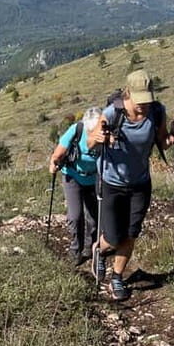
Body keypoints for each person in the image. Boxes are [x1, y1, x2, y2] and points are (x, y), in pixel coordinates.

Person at [87, 70, 174, 301]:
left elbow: (163, 142)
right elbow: (90, 143)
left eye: (147, 99)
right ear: (128, 93)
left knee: (131, 233)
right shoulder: (112, 113)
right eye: (139, 101)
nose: (144, 106)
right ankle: (99, 249)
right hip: (112, 183)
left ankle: (117, 277)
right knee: (114, 237)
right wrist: (101, 138)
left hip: (140, 184)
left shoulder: (157, 112)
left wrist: (173, 136)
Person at [48, 107, 102, 266]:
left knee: (94, 216)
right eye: (91, 131)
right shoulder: (76, 130)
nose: (93, 135)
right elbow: (57, 154)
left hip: (94, 178)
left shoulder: (105, 135)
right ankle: (75, 250)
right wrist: (54, 163)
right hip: (73, 176)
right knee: (75, 216)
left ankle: (90, 247)